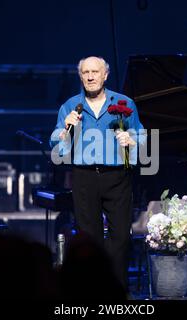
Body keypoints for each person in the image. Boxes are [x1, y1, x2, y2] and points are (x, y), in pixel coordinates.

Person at [49, 56, 145, 289]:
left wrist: (131, 141)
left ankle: (116, 290)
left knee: (120, 238)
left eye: (95, 72)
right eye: (85, 72)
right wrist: (65, 132)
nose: (90, 76)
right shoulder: (70, 106)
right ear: (80, 76)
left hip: (117, 178)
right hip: (84, 177)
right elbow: (56, 145)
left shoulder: (125, 103)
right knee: (88, 240)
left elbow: (142, 137)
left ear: (105, 75)